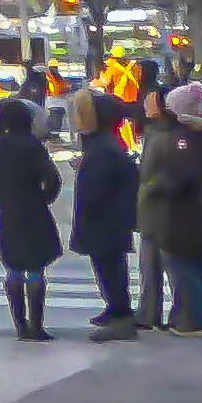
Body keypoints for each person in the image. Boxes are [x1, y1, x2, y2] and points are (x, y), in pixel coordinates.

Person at [0, 88, 62, 341]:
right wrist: (44, 199)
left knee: (12, 267)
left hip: (7, 210)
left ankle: (20, 325)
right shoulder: (32, 146)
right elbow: (52, 179)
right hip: (33, 208)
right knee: (35, 268)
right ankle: (36, 325)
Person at [140, 82, 202, 334]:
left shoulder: (180, 139)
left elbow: (173, 177)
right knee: (201, 264)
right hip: (201, 209)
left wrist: (153, 185)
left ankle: (194, 321)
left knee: (182, 266)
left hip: (179, 213)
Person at [71, 90, 143, 335]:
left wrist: (88, 208)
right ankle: (115, 308)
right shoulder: (104, 144)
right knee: (107, 266)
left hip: (106, 220)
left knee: (110, 267)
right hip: (107, 219)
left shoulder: (104, 148)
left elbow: (99, 187)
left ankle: (121, 315)